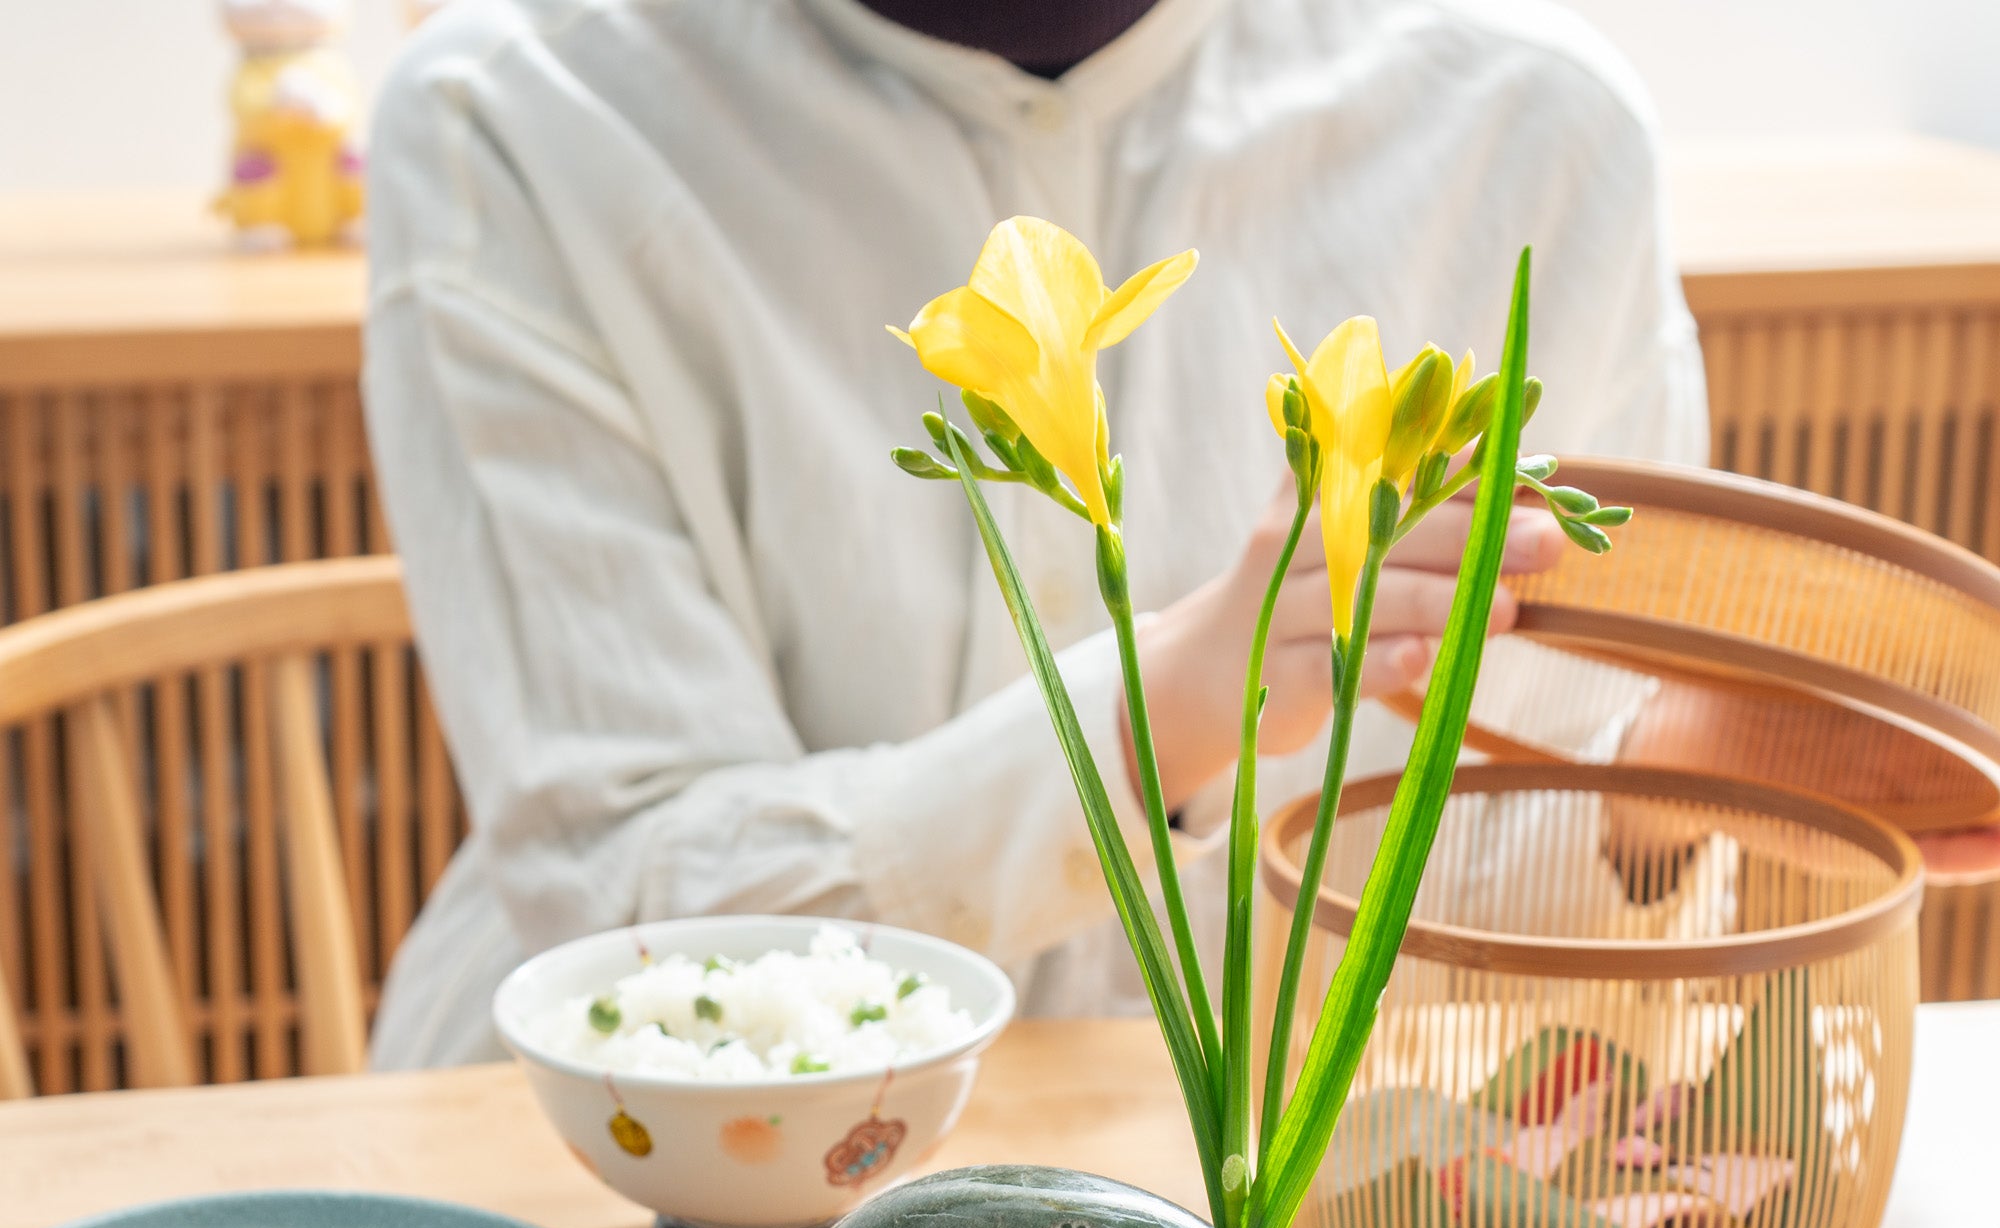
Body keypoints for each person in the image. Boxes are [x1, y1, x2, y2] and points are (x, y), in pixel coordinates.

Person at [361, 0, 1707, 1065]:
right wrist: (1160, 708)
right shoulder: (521, 117)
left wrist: (1679, 785)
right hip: (647, 1213)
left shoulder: (1534, 129)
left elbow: (1488, 913)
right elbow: (630, 907)